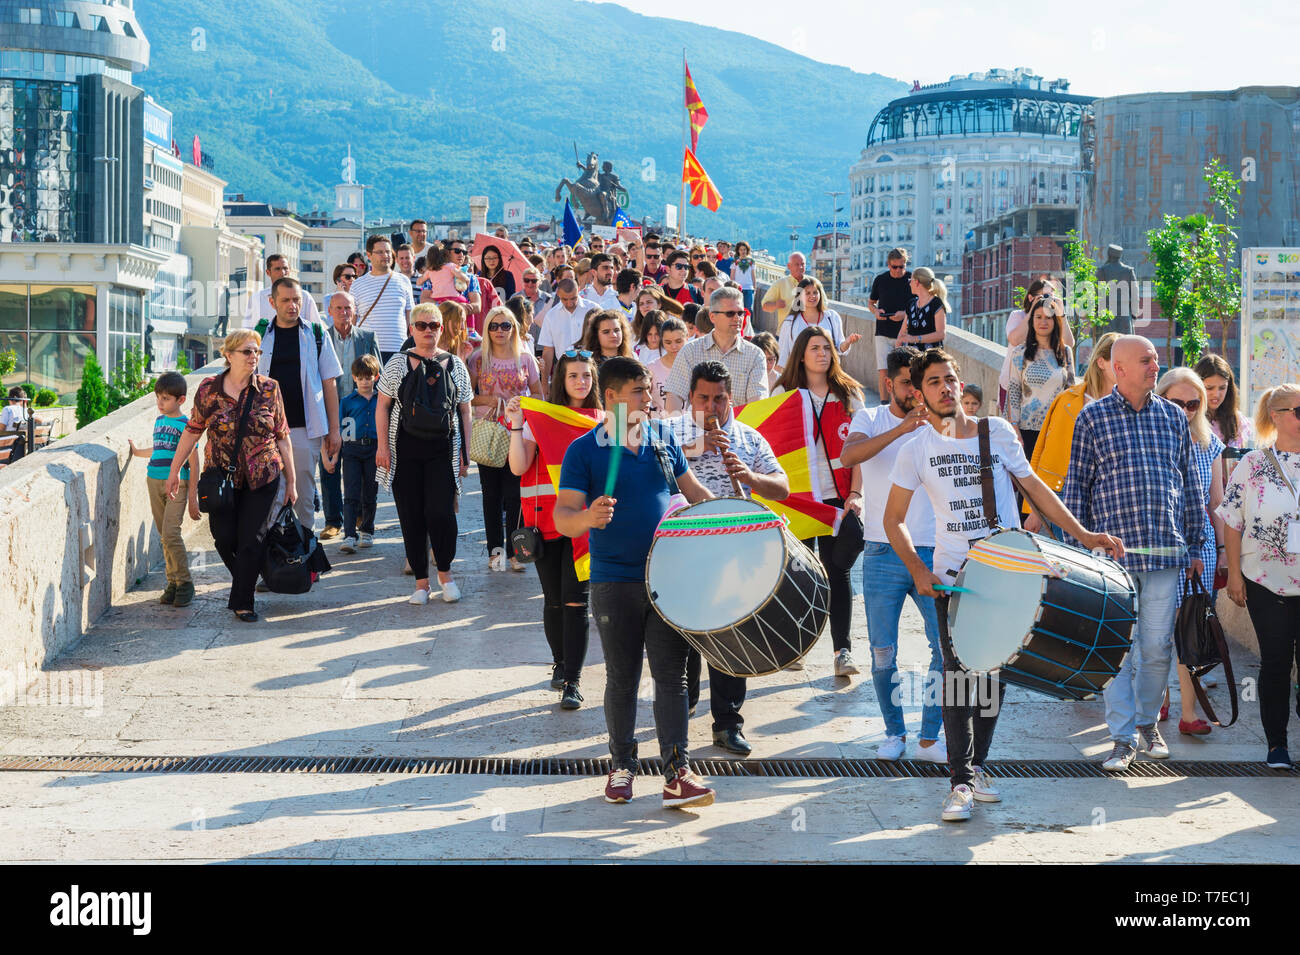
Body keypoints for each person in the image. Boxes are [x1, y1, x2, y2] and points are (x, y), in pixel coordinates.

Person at [884, 348, 1122, 821]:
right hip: (956, 581)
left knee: (996, 675)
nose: (946, 387)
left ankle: (977, 766)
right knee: (957, 679)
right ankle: (960, 783)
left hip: (1012, 574)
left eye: (950, 378)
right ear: (918, 393)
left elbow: (1037, 489)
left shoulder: (998, 432)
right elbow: (893, 521)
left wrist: (1085, 535)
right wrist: (917, 568)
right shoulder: (915, 450)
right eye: (934, 382)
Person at [554, 356, 718, 809]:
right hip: (614, 582)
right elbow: (562, 518)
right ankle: (621, 766)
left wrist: (745, 518)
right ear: (610, 397)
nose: (650, 399)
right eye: (639, 392)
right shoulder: (583, 450)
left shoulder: (665, 441)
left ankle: (677, 772)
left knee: (672, 678)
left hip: (669, 580)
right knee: (622, 679)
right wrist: (587, 517)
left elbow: (698, 497)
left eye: (650, 390)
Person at [1062, 336, 1206, 772]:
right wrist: (1077, 555)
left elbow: (1190, 485)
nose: (1154, 366)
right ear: (1117, 368)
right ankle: (1122, 737)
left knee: (1159, 647)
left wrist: (1197, 543)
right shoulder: (1091, 418)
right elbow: (1076, 490)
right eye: (1145, 360)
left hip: (1165, 553)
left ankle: (1147, 723)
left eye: (1156, 360)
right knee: (1117, 650)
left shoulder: (1173, 418)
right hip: (1113, 561)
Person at [668, 360, 789, 757]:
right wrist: (693, 450)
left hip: (737, 549)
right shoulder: (669, 433)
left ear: (730, 398)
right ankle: (679, 713)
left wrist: (751, 479)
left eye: (719, 399)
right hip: (684, 549)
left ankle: (727, 722)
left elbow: (782, 488)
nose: (712, 406)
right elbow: (653, 476)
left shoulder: (749, 438)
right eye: (703, 398)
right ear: (691, 397)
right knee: (684, 635)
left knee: (731, 635)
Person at [842, 347, 946, 762]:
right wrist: (903, 429)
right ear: (889, 384)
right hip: (882, 552)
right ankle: (893, 732)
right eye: (906, 383)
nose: (914, 392)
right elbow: (850, 456)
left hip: (934, 551)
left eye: (918, 384)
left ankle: (930, 737)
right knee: (883, 650)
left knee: (944, 650)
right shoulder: (869, 418)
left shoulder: (941, 424)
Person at [166, 330, 296, 623]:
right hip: (220, 479)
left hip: (263, 475)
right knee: (224, 538)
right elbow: (192, 431)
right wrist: (175, 471)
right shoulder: (209, 389)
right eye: (247, 352)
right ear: (229, 355)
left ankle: (243, 601)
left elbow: (283, 435)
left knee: (252, 539)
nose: (254, 358)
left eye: (257, 352)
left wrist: (292, 481)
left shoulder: (269, 388)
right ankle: (250, 576)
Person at [506, 351, 604, 709]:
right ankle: (560, 663)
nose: (581, 382)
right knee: (553, 601)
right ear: (561, 381)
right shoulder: (541, 420)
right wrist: (517, 423)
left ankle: (573, 682)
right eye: (573, 375)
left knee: (577, 602)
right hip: (545, 522)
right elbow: (518, 467)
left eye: (586, 376)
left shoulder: (606, 421)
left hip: (585, 524)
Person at [773, 326, 865, 675]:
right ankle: (794, 647)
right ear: (801, 353)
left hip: (836, 498)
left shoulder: (850, 393)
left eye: (827, 347)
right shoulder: (783, 392)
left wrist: (855, 494)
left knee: (837, 571)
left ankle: (843, 651)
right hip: (796, 500)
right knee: (797, 573)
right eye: (815, 347)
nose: (823, 353)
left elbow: (861, 451)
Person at [1218, 383, 1300, 768]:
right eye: (1299, 411)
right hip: (1265, 579)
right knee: (1276, 661)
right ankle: (1277, 745)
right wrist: (1234, 574)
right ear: (1277, 417)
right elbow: (1233, 522)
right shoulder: (1253, 464)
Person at [376, 303, 474, 605]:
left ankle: (445, 574)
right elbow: (382, 406)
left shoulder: (455, 364)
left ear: (442, 329)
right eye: (421, 325)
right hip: (404, 447)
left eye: (433, 325)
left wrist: (465, 454)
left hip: (442, 449)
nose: (428, 330)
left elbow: (465, 409)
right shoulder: (396, 364)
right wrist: (382, 447)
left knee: (441, 513)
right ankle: (421, 583)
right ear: (411, 329)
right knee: (411, 515)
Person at [1155, 367, 1224, 736]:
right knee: (1157, 630)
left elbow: (1217, 503)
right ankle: (1159, 697)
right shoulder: (1148, 437)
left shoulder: (1209, 442)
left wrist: (1224, 552)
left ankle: (1188, 712)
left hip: (1200, 549)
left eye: (1193, 403)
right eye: (1176, 402)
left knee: (1190, 633)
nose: (1185, 410)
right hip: (1160, 547)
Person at [256, 277, 343, 534]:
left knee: (303, 497)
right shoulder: (259, 335)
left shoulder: (316, 335)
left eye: (297, 300)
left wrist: (334, 430)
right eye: (285, 300)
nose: (292, 306)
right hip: (265, 431)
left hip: (304, 428)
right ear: (272, 302)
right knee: (269, 498)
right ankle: (274, 561)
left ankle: (306, 559)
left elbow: (330, 384)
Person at [468, 305, 543, 572]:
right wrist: (490, 399)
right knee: (491, 496)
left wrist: (519, 402)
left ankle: (514, 552)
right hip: (488, 432)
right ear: (487, 329)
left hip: (518, 433)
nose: (500, 331)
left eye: (505, 325)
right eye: (494, 326)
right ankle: (495, 551)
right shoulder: (478, 358)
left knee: (515, 496)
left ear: (514, 328)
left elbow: (539, 395)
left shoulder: (526, 358)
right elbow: (467, 397)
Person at [1023, 332, 1120, 534]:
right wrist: (1033, 509)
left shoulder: (1130, 407)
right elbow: (1043, 454)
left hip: (1106, 500)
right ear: (1101, 362)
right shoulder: (1068, 400)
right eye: (1118, 361)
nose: (1123, 367)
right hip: (1059, 495)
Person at [127, 372, 201, 608]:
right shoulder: (159, 421)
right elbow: (160, 449)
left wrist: (192, 496)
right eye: (158, 397)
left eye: (166, 399)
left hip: (178, 484)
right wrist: (138, 452)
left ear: (180, 400)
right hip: (154, 480)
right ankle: (173, 582)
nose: (160, 403)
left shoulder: (186, 425)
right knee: (164, 537)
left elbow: (194, 460)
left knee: (171, 533)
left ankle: (185, 583)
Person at [318, 291, 380, 541]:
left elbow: (379, 373)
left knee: (363, 472)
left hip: (359, 412)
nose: (344, 313)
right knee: (330, 467)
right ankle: (333, 520)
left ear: (355, 311)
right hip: (332, 412)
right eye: (339, 308)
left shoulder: (367, 337)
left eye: (348, 308)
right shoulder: (321, 338)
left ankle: (360, 519)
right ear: (330, 311)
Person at [663, 287, 768, 415]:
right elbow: (674, 394)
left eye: (741, 313)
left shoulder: (755, 355)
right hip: (698, 430)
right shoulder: (690, 351)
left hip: (738, 430)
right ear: (713, 317)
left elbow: (757, 403)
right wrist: (678, 429)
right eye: (730, 313)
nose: (737, 318)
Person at [1006, 295, 1075, 460]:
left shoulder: (1066, 353)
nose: (1043, 322)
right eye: (1038, 317)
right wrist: (1014, 427)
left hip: (1056, 428)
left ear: (1055, 321)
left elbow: (1071, 392)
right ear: (1032, 320)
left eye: (1048, 317)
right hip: (1026, 429)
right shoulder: (1019, 353)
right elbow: (1014, 391)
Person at [1000, 278, 1070, 413]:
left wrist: (1061, 315)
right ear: (1031, 297)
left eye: (1051, 297)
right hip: (1014, 384)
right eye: (1044, 296)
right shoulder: (1018, 316)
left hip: (1045, 388)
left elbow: (1068, 344)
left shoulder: (1051, 321)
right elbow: (1015, 340)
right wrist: (1033, 311)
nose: (1048, 300)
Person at [337, 355, 381, 554]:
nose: (365, 381)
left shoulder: (382, 400)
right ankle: (348, 535)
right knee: (351, 492)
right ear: (354, 378)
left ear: (376, 377)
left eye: (368, 377)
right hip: (352, 450)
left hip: (374, 449)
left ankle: (367, 531)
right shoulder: (347, 401)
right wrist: (337, 453)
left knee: (370, 492)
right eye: (360, 377)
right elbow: (340, 427)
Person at [350, 235, 415, 364]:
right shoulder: (357, 285)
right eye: (380, 252)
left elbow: (410, 316)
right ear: (369, 255)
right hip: (367, 350)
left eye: (388, 251)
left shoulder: (403, 281)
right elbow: (352, 320)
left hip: (398, 349)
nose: (385, 255)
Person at [775, 275, 860, 372]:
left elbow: (840, 349)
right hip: (800, 377)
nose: (812, 296)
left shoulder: (832, 317)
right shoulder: (790, 322)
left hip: (827, 375)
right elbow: (782, 358)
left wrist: (848, 342)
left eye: (815, 292)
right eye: (807, 293)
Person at [1196, 353, 1254, 481]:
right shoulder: (1190, 417)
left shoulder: (1237, 420)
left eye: (1222, 388)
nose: (1216, 394)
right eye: (1209, 388)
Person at [868, 249, 913, 401]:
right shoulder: (880, 280)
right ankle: (883, 404)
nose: (899, 270)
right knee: (883, 371)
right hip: (883, 332)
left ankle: (902, 402)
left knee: (904, 371)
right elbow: (871, 302)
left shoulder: (912, 280)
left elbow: (919, 305)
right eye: (895, 267)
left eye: (902, 266)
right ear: (888, 265)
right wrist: (875, 311)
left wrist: (904, 314)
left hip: (905, 333)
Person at [538, 279, 599, 386]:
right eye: (565, 299)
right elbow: (548, 351)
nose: (570, 303)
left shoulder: (594, 309)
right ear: (558, 294)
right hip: (563, 372)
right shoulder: (551, 316)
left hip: (592, 369)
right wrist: (544, 384)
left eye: (573, 298)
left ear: (579, 290)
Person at [243, 253, 322, 330]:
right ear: (268, 272)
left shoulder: (304, 296)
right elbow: (248, 331)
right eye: (277, 269)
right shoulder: (257, 298)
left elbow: (317, 328)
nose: (282, 273)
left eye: (285, 268)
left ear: (289, 270)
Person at [897, 267, 948, 351]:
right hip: (912, 359)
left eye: (911, 281)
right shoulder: (911, 304)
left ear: (916, 282)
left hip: (931, 358)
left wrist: (915, 339)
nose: (909, 284)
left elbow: (940, 334)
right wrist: (897, 349)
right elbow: (902, 332)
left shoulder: (936, 304)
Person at [648, 317, 688, 415]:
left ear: (687, 337)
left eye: (678, 341)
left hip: (691, 425)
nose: (674, 347)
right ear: (662, 341)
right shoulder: (652, 368)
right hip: (662, 425)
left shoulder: (695, 366)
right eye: (668, 342)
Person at [760, 251, 807, 326]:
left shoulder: (813, 283)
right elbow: (765, 306)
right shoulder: (780, 284)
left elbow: (824, 306)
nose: (800, 267)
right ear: (789, 266)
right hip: (785, 333)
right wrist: (775, 305)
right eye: (797, 264)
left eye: (802, 264)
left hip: (807, 333)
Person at [1, 386, 29, 460]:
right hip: (20, 448)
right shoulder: (25, 411)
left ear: (10, 399)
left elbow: (1, 429)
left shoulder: (8, 409)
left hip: (7, 447)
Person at [729, 241, 756, 313]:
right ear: (738, 250)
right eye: (741, 249)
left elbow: (753, 275)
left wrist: (754, 286)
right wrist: (732, 287)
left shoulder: (751, 261)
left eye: (744, 249)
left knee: (749, 309)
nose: (743, 251)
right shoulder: (735, 261)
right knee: (738, 309)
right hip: (738, 288)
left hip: (749, 288)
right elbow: (732, 275)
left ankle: (748, 323)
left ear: (747, 250)